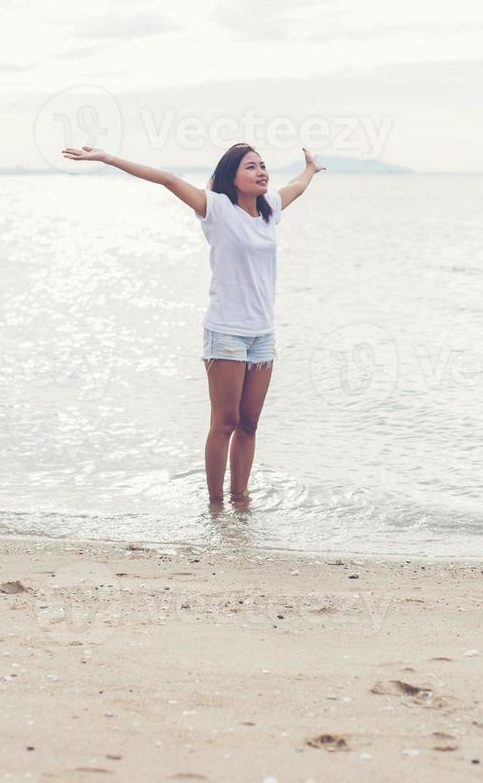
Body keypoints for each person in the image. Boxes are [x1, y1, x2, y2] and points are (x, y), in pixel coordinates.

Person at [61, 141, 324, 508]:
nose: (261, 171)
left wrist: (311, 168)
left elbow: (296, 187)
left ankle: (240, 499)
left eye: (263, 165)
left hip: (262, 335)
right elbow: (167, 179)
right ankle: (215, 504)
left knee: (249, 423)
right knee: (225, 422)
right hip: (226, 330)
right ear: (231, 177)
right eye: (251, 167)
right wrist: (107, 158)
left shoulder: (270, 211)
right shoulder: (215, 208)